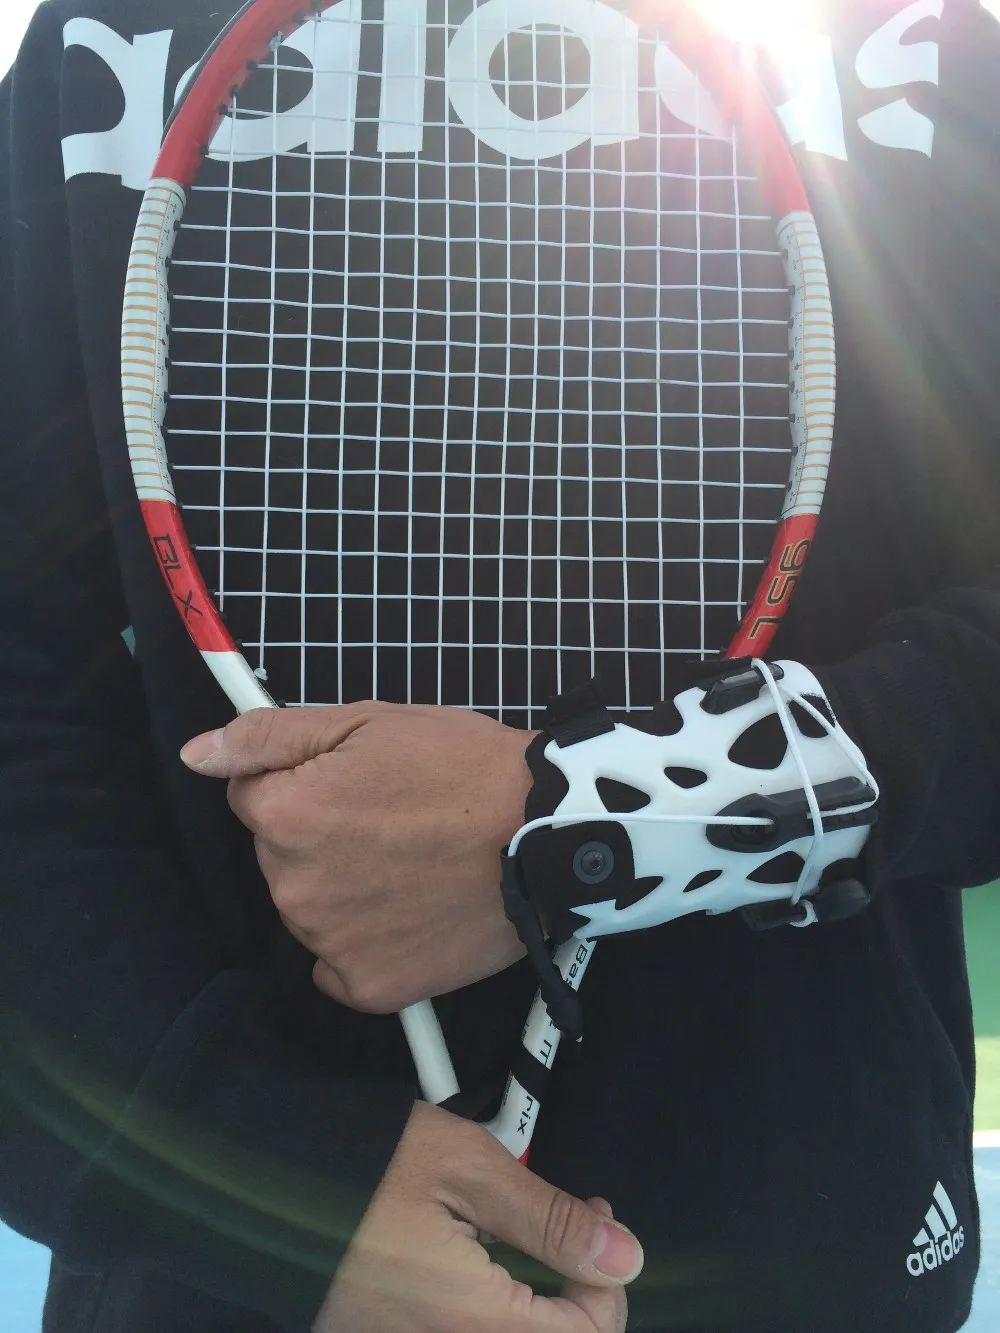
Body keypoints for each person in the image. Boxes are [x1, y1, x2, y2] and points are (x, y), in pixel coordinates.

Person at [1, 1, 999, 1331]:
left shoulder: (910, 43)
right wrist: (271, 1185)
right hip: (236, 1275)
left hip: (809, 1265)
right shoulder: (108, 34)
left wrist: (591, 822)